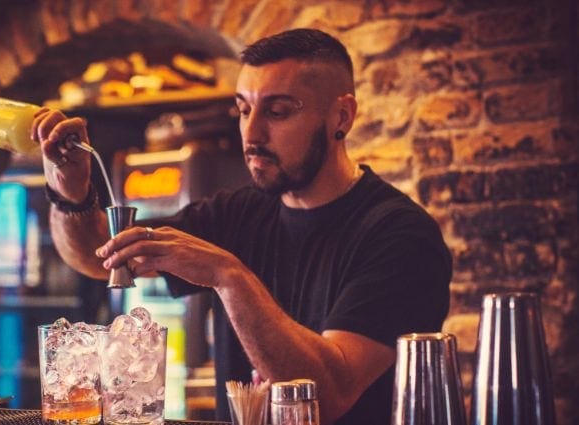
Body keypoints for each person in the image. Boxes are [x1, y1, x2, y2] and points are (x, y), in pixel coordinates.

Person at [31, 28, 451, 425]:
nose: (251, 133)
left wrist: (229, 277)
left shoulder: (400, 236)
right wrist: (70, 194)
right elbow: (97, 255)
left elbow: (327, 395)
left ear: (341, 116)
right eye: (244, 110)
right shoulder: (236, 213)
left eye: (278, 111)